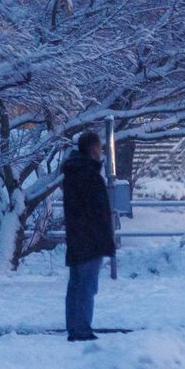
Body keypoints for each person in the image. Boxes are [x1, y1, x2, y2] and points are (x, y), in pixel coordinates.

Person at [61, 130, 116, 342]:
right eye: (100, 147)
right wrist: (103, 239)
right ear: (93, 148)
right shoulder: (89, 175)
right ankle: (82, 329)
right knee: (86, 286)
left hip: (78, 239)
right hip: (90, 240)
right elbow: (97, 211)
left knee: (76, 285)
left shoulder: (73, 173)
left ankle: (75, 327)